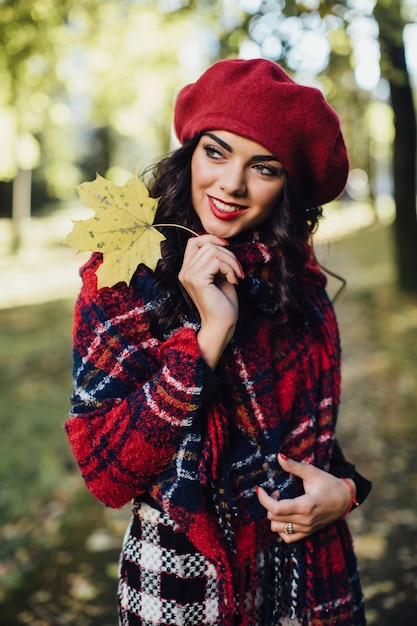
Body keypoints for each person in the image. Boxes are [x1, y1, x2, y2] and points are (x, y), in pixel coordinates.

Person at [65, 58, 371, 626]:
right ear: (189, 154)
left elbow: (300, 442)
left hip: (309, 575)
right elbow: (106, 474)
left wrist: (347, 491)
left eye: (264, 166)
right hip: (185, 584)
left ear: (288, 186)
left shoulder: (297, 286)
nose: (231, 183)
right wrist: (206, 339)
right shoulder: (125, 281)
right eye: (216, 151)